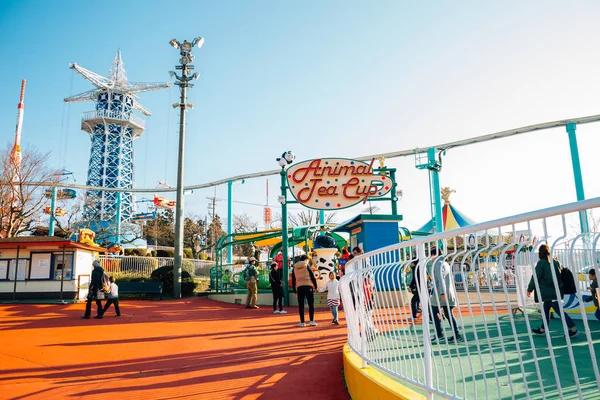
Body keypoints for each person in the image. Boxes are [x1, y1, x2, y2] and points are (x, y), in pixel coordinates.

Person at [527, 244, 578, 337]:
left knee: (559, 312)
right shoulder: (556, 262)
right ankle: (543, 329)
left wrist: (529, 289)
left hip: (548, 293)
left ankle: (573, 328)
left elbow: (535, 277)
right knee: (545, 310)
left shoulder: (541, 263)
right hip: (556, 291)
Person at [430, 248, 463, 343]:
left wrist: (442, 293)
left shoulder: (438, 264)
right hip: (447, 293)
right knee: (448, 314)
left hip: (441, 294)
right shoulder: (445, 263)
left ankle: (439, 333)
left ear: (434, 255)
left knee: (433, 311)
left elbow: (441, 279)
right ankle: (456, 335)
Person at [292, 254, 318, 327]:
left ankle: (302, 322)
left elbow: (293, 280)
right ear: (306, 260)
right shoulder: (307, 266)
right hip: (308, 286)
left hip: (299, 287)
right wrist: (315, 286)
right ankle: (311, 321)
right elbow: (312, 277)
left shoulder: (295, 267)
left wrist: (294, 290)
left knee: (301, 305)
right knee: (311, 304)